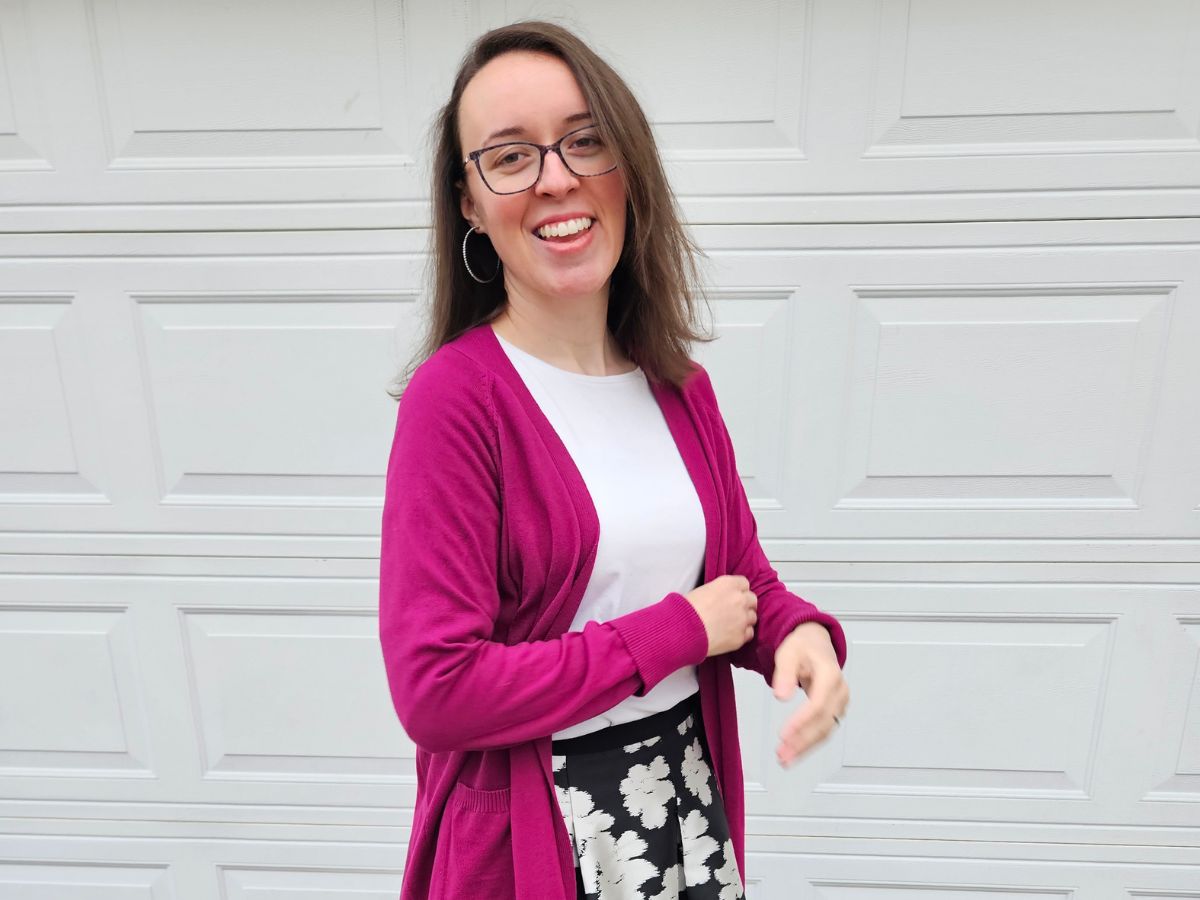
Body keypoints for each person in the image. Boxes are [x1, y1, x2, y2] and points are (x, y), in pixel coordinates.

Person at [378, 20, 850, 900]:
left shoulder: (678, 386)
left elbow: (740, 583)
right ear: (470, 203)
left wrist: (803, 633)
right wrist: (676, 631)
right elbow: (436, 689)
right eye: (510, 157)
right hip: (535, 835)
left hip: (683, 803)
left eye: (585, 141)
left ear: (627, 168)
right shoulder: (459, 403)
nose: (557, 177)